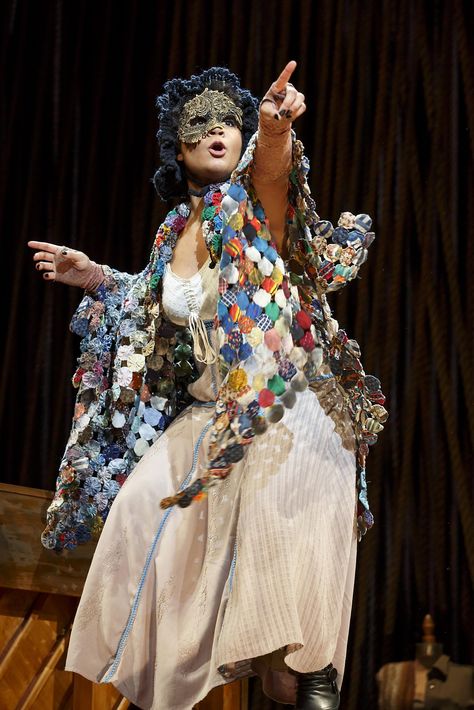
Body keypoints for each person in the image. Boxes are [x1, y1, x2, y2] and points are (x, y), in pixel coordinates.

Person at [28, 61, 387, 710]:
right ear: (178, 144)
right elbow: (153, 311)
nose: (219, 131)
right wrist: (96, 279)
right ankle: (162, 689)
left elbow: (274, 173)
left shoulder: (248, 201)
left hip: (284, 406)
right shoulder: (173, 232)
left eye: (230, 121)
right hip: (213, 416)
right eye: (203, 124)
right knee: (141, 519)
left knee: (293, 614)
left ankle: (312, 681)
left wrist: (274, 129)